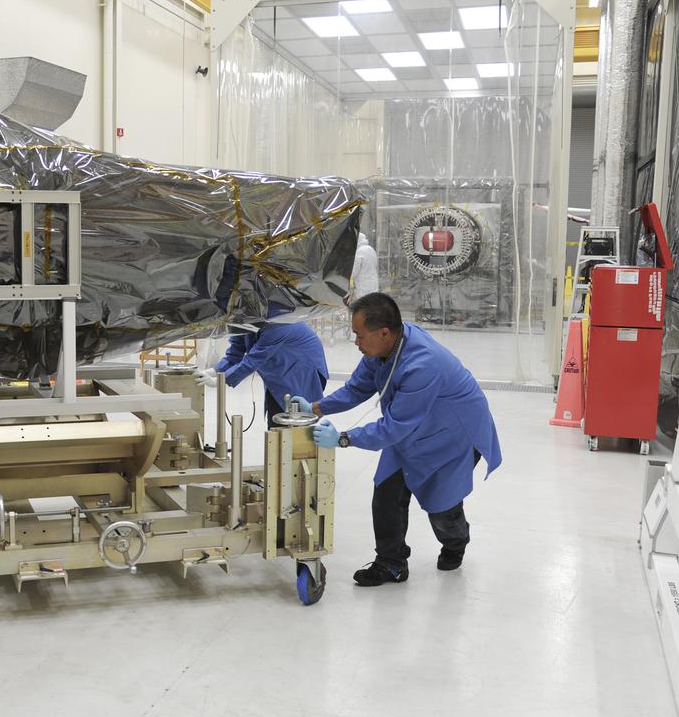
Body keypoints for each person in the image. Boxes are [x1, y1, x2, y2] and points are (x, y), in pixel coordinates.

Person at [292, 293, 501, 586]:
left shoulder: (422, 364)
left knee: (442, 507)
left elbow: (392, 429)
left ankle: (456, 542)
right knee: (387, 491)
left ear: (384, 333)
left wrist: (341, 439)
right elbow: (357, 389)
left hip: (452, 435)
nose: (356, 342)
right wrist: (316, 407)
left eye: (359, 335)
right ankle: (391, 563)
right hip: (411, 426)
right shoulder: (381, 350)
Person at [196, 321, 328, 428]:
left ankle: (294, 457)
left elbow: (251, 361)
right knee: (276, 422)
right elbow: (234, 356)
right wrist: (211, 372)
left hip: (302, 369)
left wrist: (219, 381)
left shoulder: (277, 324)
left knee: (297, 423)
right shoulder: (243, 322)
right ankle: (278, 456)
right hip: (278, 371)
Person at [349, 233, 379, 303]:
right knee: (372, 305)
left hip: (363, 287)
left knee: (363, 306)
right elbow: (375, 265)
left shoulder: (359, 252)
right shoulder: (371, 249)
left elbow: (354, 272)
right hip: (373, 284)